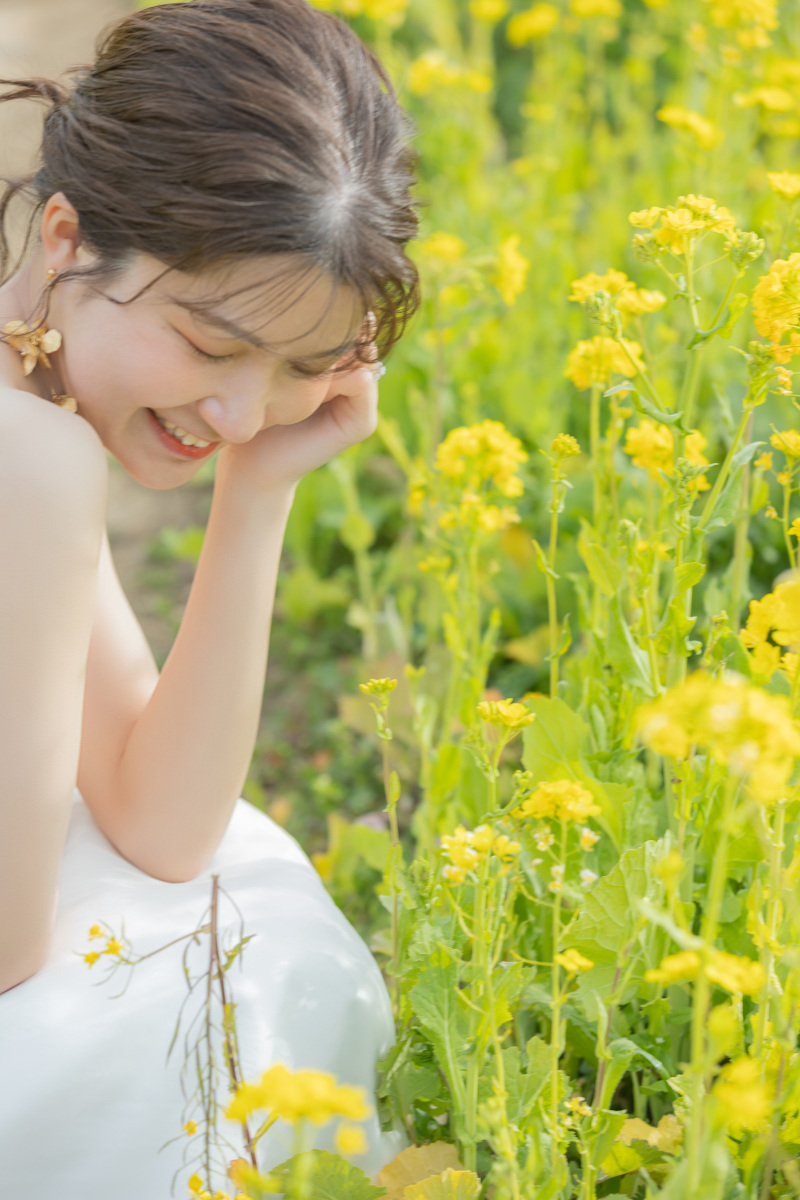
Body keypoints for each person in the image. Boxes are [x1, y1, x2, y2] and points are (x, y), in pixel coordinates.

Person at [0, 0, 419, 1194]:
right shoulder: (30, 459)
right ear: (71, 239)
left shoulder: (28, 421)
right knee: (237, 964)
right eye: (211, 341)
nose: (239, 412)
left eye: (298, 369)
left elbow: (157, 816)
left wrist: (260, 489)